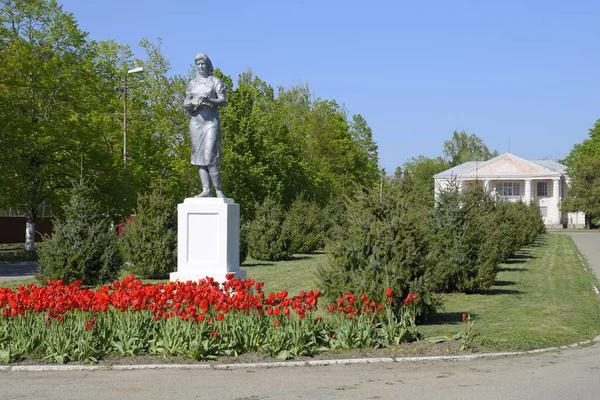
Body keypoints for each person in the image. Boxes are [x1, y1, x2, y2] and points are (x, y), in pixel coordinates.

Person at [184, 53, 227, 198]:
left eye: (203, 64)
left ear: (208, 64)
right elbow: (186, 101)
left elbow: (222, 100)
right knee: (199, 157)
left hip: (210, 121)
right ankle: (206, 190)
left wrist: (210, 100)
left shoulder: (215, 81)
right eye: (198, 64)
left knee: (209, 155)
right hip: (196, 122)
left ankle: (219, 190)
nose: (201, 66)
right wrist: (189, 103)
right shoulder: (192, 83)